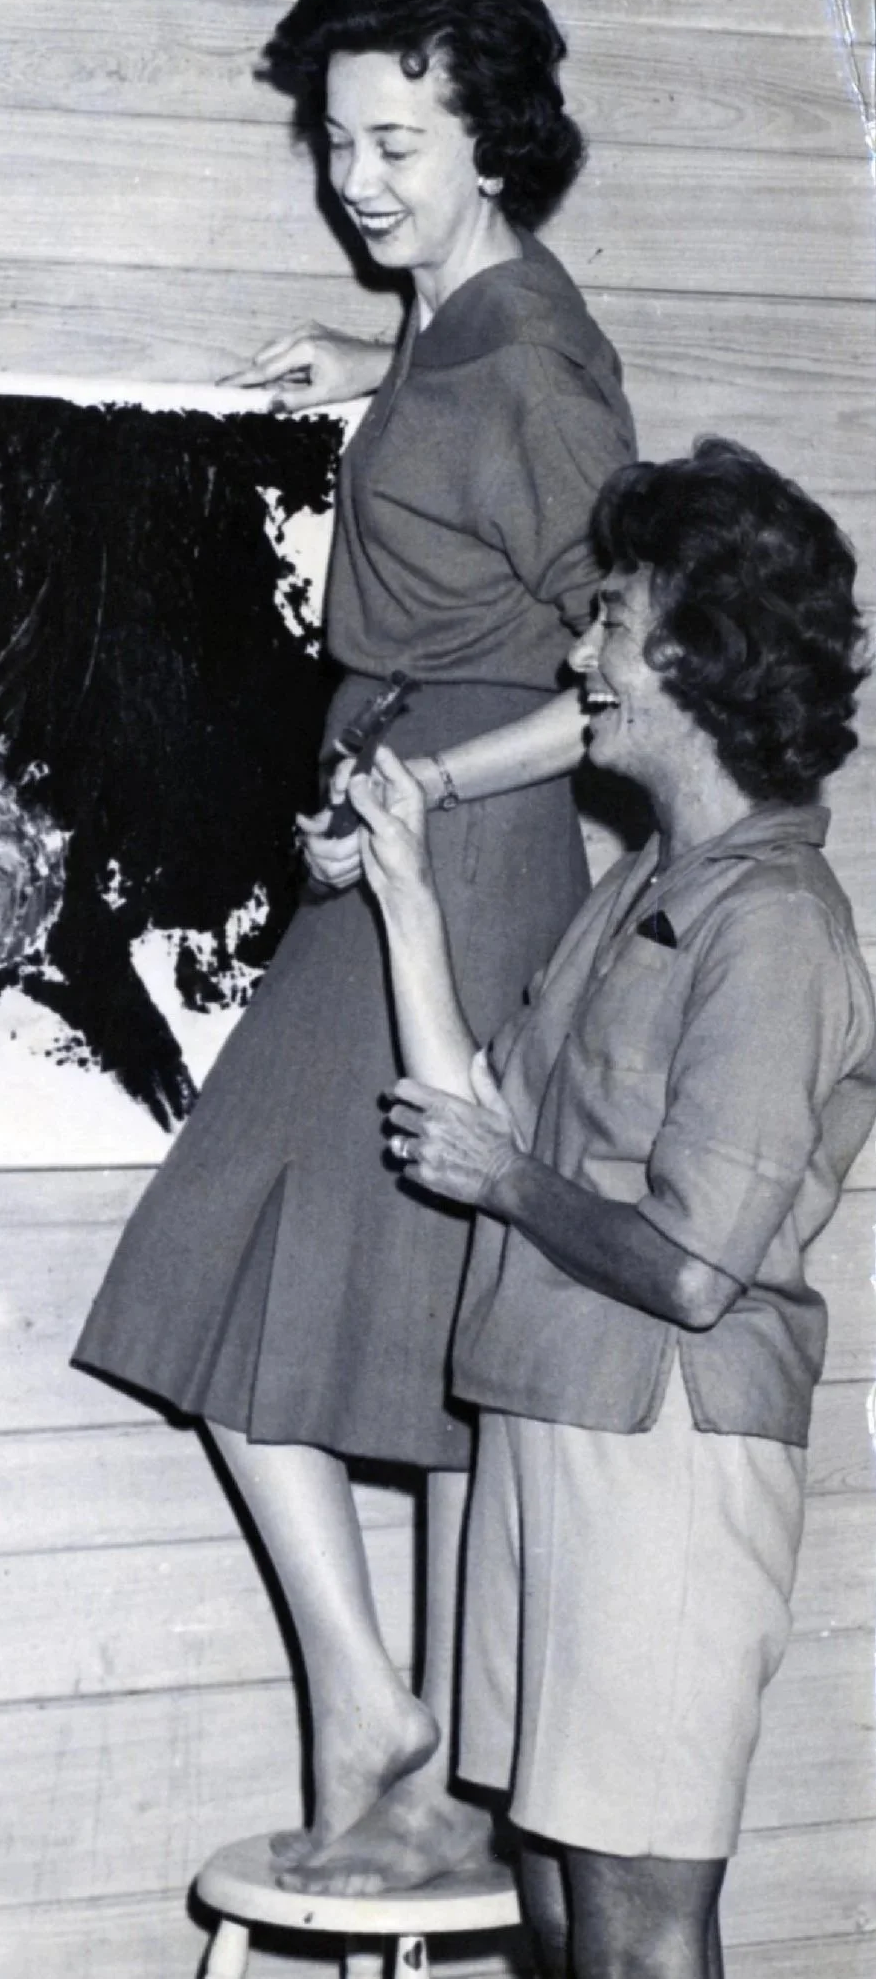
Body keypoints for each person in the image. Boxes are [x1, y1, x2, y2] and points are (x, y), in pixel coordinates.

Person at [72, 0, 636, 1890]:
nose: (358, 180)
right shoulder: (450, 330)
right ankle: (385, 1727)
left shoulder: (536, 373)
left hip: (454, 859)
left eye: (396, 143)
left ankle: (404, 1733)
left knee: (289, 1272)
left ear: (493, 138)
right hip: (388, 833)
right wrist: (358, 374)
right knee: (308, 1292)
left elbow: (637, 676)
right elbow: (446, 404)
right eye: (331, 143)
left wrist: (435, 794)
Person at [344, 439, 873, 1979]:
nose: (579, 653)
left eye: (612, 620)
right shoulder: (641, 882)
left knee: (641, 1933)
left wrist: (506, 1182)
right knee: (567, 1914)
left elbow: (700, 1270)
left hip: (664, 1454)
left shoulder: (771, 925)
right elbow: (479, 1118)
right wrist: (405, 894)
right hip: (553, 1418)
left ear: (697, 655)